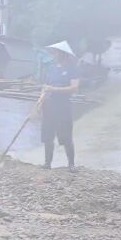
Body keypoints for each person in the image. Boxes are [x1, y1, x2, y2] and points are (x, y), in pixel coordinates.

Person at [41, 41, 80, 173]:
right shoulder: (51, 68)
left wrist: (55, 89)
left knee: (66, 136)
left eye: (56, 52)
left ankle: (71, 164)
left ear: (62, 54)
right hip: (48, 106)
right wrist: (40, 100)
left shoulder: (71, 68)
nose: (54, 54)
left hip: (63, 106)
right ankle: (47, 163)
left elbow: (74, 88)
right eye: (53, 52)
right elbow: (45, 87)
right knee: (48, 135)